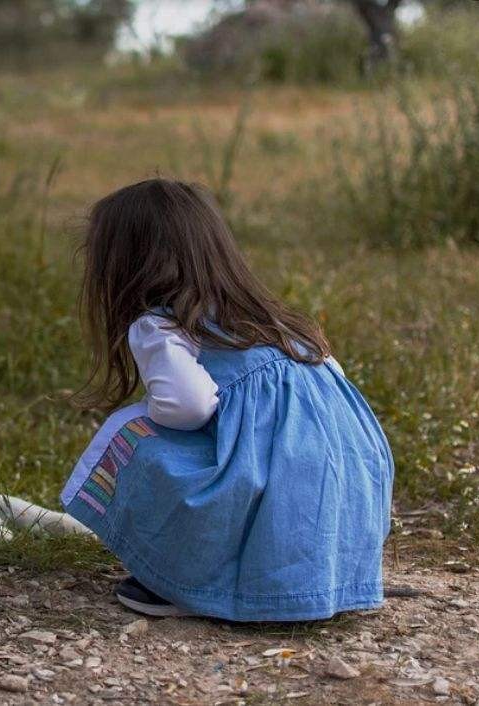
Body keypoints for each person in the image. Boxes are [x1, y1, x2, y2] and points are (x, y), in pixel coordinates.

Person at [62, 178, 393, 621]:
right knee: (272, 460)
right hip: (348, 482)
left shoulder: (160, 326)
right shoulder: (273, 320)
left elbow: (189, 406)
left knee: (131, 434)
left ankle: (185, 581)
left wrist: (151, 414)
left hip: (274, 484)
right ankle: (313, 578)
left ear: (125, 266)